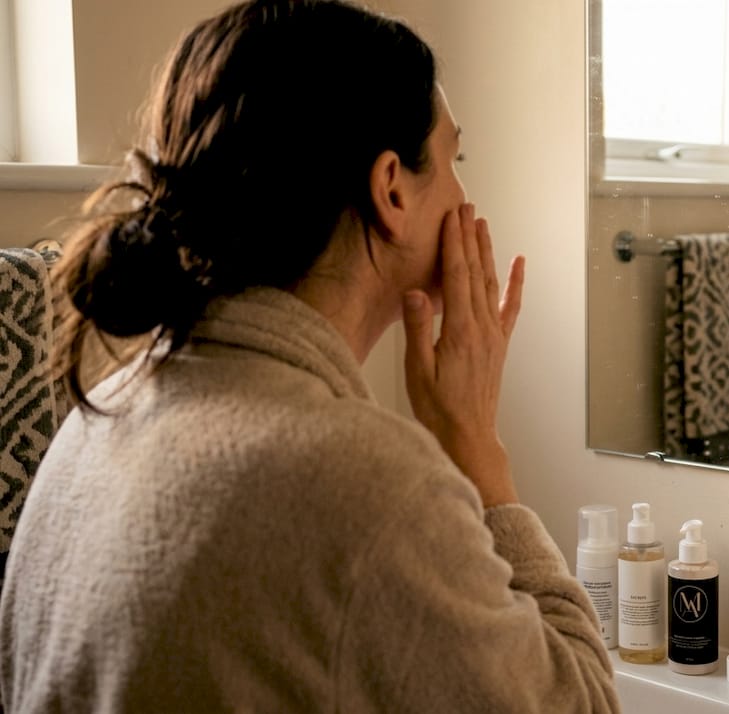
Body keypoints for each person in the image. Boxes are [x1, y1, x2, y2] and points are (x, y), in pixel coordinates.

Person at [0, 1, 619, 711]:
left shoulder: (99, 416)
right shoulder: (367, 480)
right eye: (455, 159)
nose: (465, 195)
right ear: (391, 189)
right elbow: (584, 704)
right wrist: (478, 452)